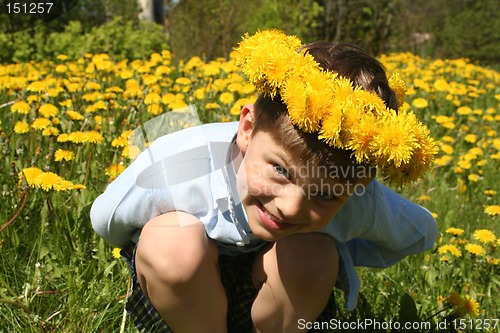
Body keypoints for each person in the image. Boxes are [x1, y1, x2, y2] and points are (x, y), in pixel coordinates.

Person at [91, 30, 438, 333]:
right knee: (169, 243)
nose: (290, 207)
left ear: (361, 184)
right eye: (281, 171)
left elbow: (422, 234)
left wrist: (338, 246)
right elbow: (106, 218)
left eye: (325, 196)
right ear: (247, 128)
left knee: (313, 255)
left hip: (277, 302)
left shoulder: (361, 198)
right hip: (186, 301)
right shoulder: (178, 163)